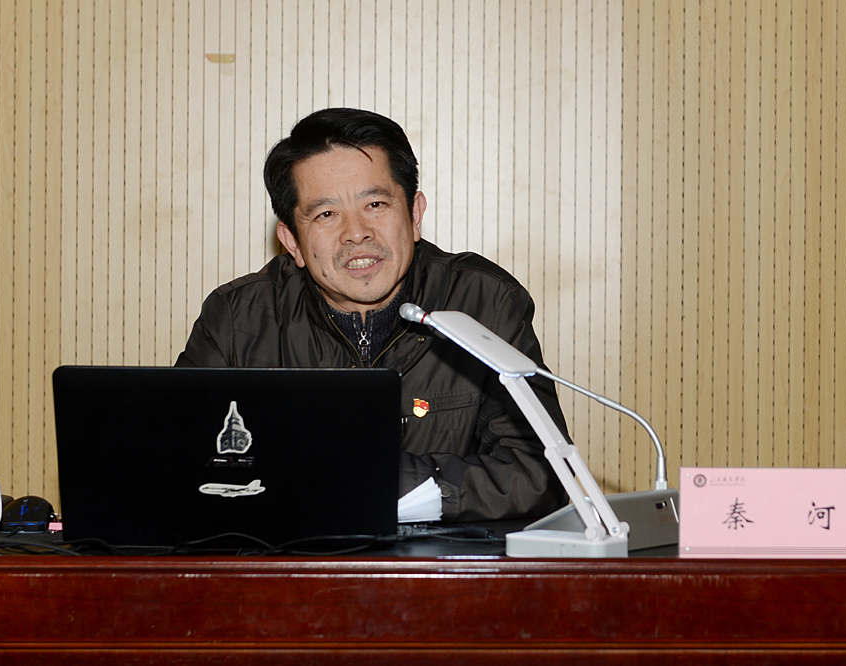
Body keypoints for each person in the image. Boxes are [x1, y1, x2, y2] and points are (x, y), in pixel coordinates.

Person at [177, 108, 569, 521]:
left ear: (414, 215)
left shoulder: (483, 302)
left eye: (376, 204)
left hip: (438, 557)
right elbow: (173, 464)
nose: (356, 232)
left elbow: (542, 472)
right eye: (326, 214)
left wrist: (378, 479)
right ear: (292, 241)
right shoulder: (238, 318)